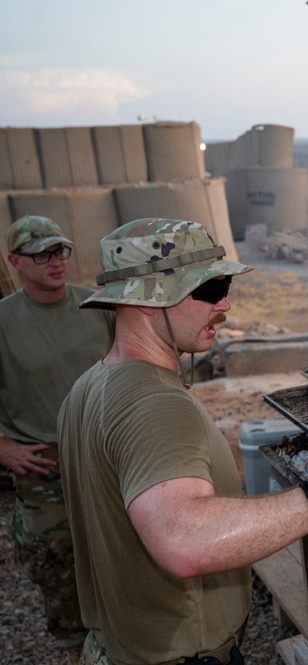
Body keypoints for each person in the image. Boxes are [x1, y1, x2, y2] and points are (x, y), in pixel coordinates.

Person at [57, 218, 308, 665]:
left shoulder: (89, 385)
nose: (224, 303)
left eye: (224, 285)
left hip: (115, 646)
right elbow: (184, 540)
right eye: (208, 289)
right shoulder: (155, 403)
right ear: (148, 299)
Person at [1, 215, 115, 664]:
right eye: (41, 254)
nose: (55, 261)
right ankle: (77, 653)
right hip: (44, 465)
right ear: (15, 261)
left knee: (122, 550)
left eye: (60, 251)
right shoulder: (4, 321)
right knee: (57, 564)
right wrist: (4, 449)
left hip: (105, 451)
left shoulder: (98, 305)